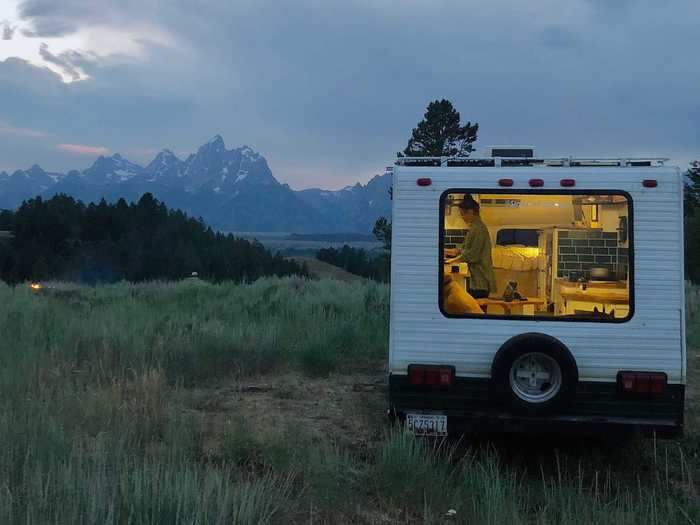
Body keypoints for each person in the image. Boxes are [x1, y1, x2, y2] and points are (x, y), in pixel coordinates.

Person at [445, 197, 496, 299]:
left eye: (462, 213)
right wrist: (446, 251)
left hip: (480, 279)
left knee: (476, 310)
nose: (462, 217)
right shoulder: (474, 227)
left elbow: (473, 254)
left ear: (471, 211)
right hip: (477, 279)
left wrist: (451, 261)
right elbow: (464, 250)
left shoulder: (478, 229)